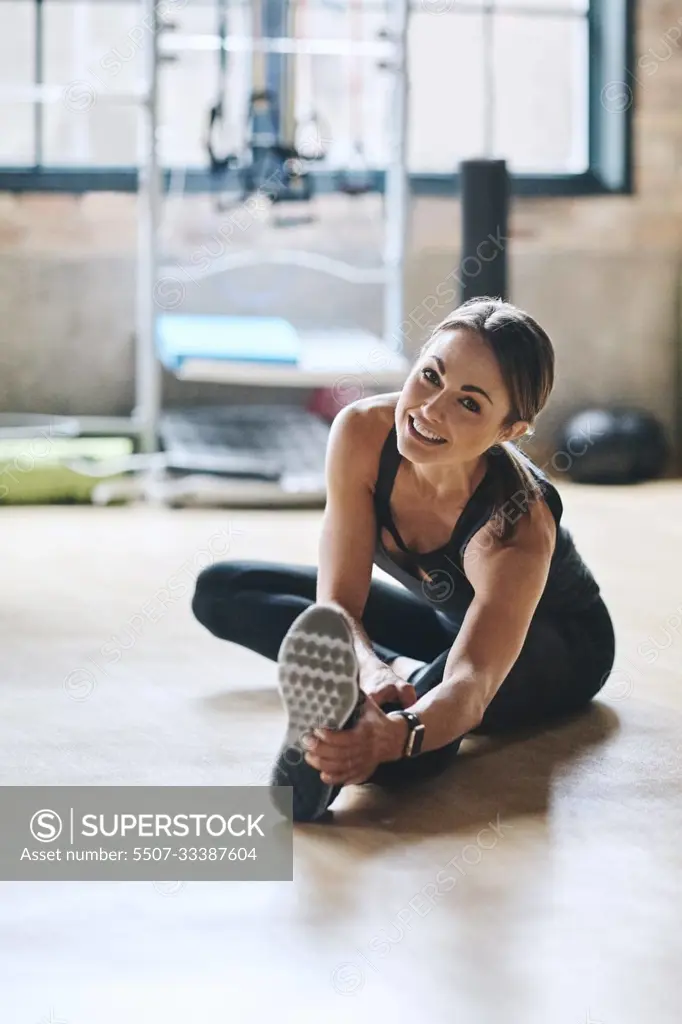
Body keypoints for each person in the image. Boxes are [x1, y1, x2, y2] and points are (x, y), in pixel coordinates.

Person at [191, 297, 616, 822]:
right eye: (431, 375)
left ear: (509, 431)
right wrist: (366, 669)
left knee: (416, 732)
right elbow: (338, 605)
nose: (430, 409)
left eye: (469, 404)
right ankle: (400, 676)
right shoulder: (362, 434)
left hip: (555, 646)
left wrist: (392, 735)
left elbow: (471, 683)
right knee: (222, 590)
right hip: (446, 622)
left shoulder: (516, 527)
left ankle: (364, 735)